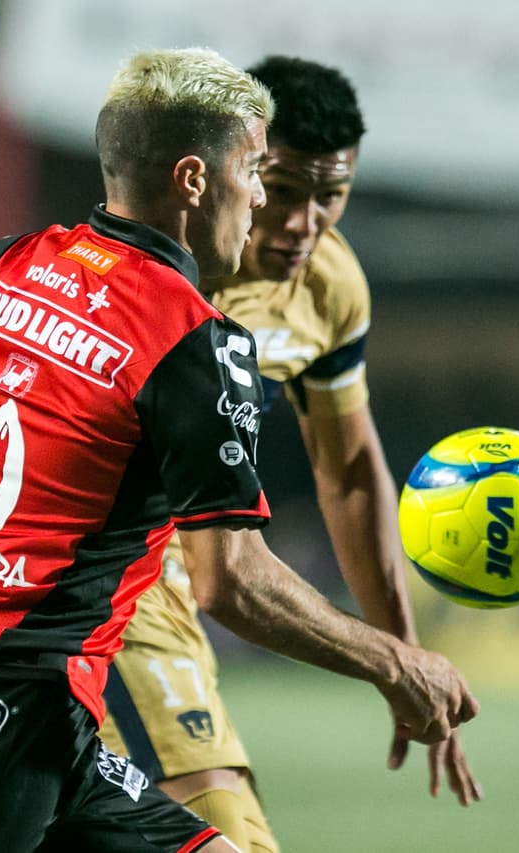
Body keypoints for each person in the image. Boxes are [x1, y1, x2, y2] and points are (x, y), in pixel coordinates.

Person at [0, 46, 478, 853]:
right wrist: (395, 662)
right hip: (0, 699)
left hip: (31, 707)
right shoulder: (196, 342)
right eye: (256, 172)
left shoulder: (11, 264)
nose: (264, 198)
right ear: (197, 180)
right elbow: (231, 582)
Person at [95, 56, 478, 852]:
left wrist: (403, 653)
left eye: (329, 195)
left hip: (165, 592)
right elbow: (227, 576)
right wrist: (392, 665)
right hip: (106, 590)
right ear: (235, 170)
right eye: (284, 187)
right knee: (224, 820)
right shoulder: (157, 272)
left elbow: (347, 469)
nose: (303, 220)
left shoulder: (327, 283)